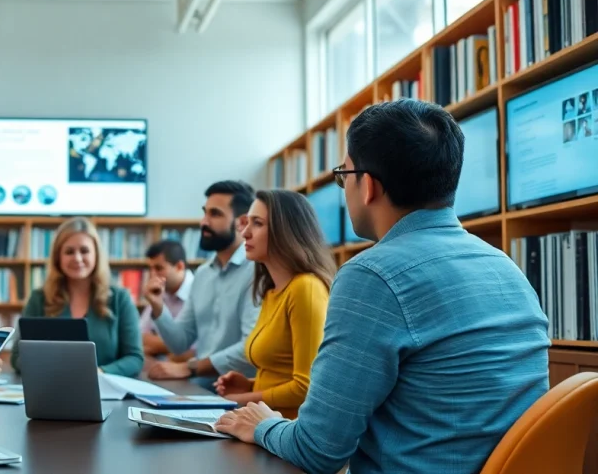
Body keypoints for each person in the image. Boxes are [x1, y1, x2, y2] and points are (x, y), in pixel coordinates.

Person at [215, 99, 550, 474]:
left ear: (368, 186)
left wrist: (261, 423)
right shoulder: (507, 269)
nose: (344, 188)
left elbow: (318, 451)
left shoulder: (372, 276)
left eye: (344, 174)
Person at [213, 190, 333, 419]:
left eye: (257, 224)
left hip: (289, 434)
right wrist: (249, 385)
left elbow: (305, 387)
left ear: (286, 231)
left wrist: (238, 400)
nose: (245, 233)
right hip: (264, 425)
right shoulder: (271, 292)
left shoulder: (305, 288)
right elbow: (281, 375)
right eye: (247, 223)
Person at [144, 181, 260, 385]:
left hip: (238, 392)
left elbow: (250, 347)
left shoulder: (258, 271)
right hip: (200, 388)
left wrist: (189, 367)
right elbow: (179, 344)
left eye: (215, 214)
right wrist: (157, 307)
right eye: (205, 213)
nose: (203, 222)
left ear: (241, 223)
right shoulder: (203, 274)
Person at [9, 217, 144, 377]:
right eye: (69, 252)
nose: (77, 258)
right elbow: (17, 357)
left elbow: (134, 358)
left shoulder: (120, 299)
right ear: (58, 257)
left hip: (107, 390)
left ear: (96, 255)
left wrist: (99, 373)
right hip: (50, 388)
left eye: (84, 251)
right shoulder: (39, 298)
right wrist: (57, 372)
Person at [139, 240, 194, 362]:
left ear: (180, 266)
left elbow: (193, 348)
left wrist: (155, 344)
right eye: (150, 268)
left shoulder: (199, 291)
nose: (153, 274)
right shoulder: (160, 291)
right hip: (158, 367)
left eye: (159, 268)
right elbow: (139, 337)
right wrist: (166, 346)